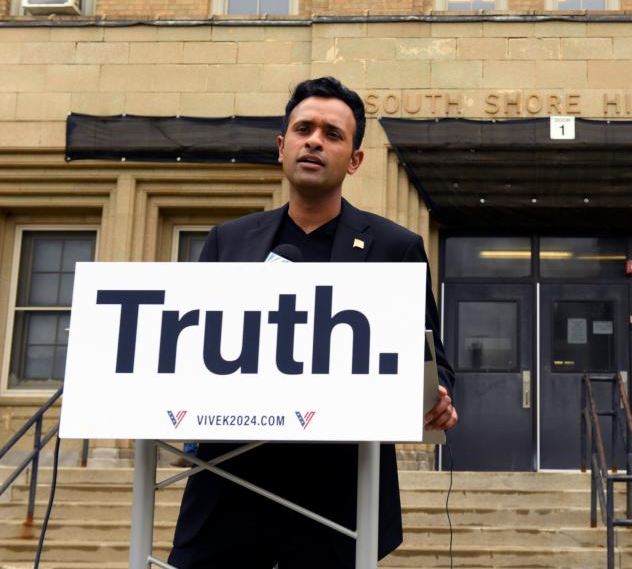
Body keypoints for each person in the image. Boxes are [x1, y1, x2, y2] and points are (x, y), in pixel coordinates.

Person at [167, 77, 458, 568]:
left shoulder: (395, 248)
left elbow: (432, 359)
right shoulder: (228, 242)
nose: (315, 140)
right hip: (228, 493)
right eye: (304, 128)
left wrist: (436, 397)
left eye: (332, 133)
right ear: (282, 146)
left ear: (355, 158)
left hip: (338, 498)